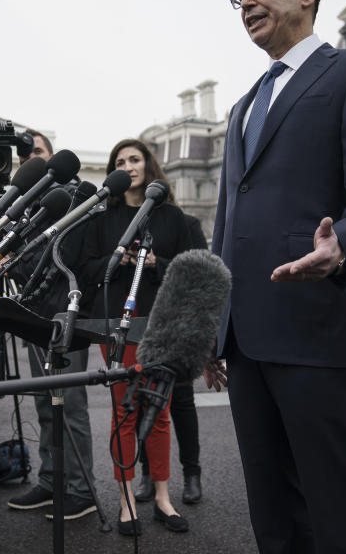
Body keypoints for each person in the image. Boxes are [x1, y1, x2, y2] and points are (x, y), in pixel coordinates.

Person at [210, 0, 346, 553]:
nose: (246, 2)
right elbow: (225, 227)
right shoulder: (243, 107)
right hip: (246, 343)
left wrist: (343, 245)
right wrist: (215, 329)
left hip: (319, 329)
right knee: (273, 513)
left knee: (340, 510)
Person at [80, 139, 192, 536]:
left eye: (135, 159)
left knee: (159, 413)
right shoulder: (102, 217)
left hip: (160, 325)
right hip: (116, 326)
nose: (128, 166)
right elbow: (88, 267)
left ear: (149, 166)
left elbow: (187, 271)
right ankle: (127, 499)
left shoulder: (172, 218)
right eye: (121, 161)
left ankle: (163, 497)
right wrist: (117, 258)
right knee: (125, 412)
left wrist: (155, 263)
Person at [5, 130, 97, 521]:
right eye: (27, 159)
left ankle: (81, 490)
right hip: (34, 314)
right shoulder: (25, 205)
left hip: (68, 315)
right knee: (44, 403)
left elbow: (75, 256)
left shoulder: (79, 200)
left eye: (40, 156)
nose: (34, 163)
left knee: (69, 405)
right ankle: (50, 480)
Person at [135, 212, 206, 506]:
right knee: (143, 402)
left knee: (180, 401)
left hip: (177, 325)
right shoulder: (129, 226)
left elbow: (201, 273)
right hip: (141, 325)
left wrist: (156, 263)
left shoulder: (186, 223)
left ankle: (192, 473)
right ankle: (148, 473)